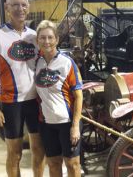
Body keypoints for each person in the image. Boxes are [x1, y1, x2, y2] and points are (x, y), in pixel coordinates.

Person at [0, 0, 45, 177]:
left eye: (24, 5)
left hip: (35, 102)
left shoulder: (35, 36)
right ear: (7, 8)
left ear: (28, 8)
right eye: (15, 5)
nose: (20, 9)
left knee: (39, 151)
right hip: (10, 103)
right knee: (14, 154)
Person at [35, 20, 83, 177]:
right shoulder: (37, 63)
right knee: (53, 163)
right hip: (47, 123)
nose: (46, 41)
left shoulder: (67, 63)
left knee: (72, 164)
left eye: (50, 37)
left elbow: (78, 95)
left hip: (67, 122)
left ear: (56, 39)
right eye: (42, 38)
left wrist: (75, 126)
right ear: (37, 40)